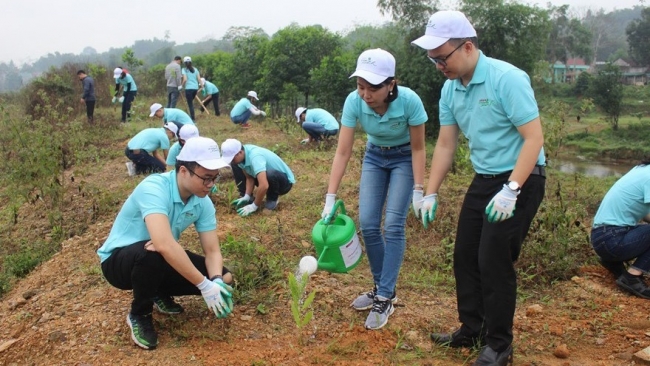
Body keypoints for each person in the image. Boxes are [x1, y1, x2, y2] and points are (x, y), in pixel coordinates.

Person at [412, 10, 546, 366]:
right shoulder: (450, 88)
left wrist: (512, 189)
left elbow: (533, 139)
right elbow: (445, 144)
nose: (439, 66)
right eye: (433, 60)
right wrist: (430, 191)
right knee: (465, 256)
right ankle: (472, 328)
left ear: (467, 47)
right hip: (484, 179)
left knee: (493, 260)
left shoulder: (507, 79)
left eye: (442, 58)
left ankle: (500, 345)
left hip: (523, 178)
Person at [322, 48, 427, 330]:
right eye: (360, 86)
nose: (366, 94)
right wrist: (330, 197)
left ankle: (384, 295)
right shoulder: (353, 102)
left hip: (404, 157)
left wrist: (419, 189)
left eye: (373, 88)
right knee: (368, 224)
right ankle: (382, 288)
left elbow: (418, 147)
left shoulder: (409, 102)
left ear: (391, 84)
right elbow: (343, 151)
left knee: (393, 225)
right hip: (374, 157)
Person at [98, 136, 234, 350]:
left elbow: (212, 250)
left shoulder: (203, 202)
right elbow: (163, 243)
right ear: (183, 171)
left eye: (214, 178)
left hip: (157, 256)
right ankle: (140, 314)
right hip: (119, 262)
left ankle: (156, 290)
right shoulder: (154, 187)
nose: (211, 185)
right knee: (153, 251)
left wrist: (215, 281)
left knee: (226, 277)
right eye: (205, 178)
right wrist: (204, 286)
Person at [591, 161, 650, 299]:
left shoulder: (641, 170)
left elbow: (645, 215)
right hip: (612, 239)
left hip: (602, 237)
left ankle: (612, 262)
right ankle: (632, 277)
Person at [221, 138, 294, 216]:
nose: (231, 160)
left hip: (283, 183)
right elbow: (249, 178)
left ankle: (272, 200)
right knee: (235, 165)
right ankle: (247, 198)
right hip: (266, 178)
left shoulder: (255, 157)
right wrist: (247, 196)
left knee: (270, 174)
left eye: (232, 158)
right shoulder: (242, 156)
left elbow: (264, 185)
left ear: (240, 152)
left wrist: (254, 206)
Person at [181, 56, 201, 121]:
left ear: (184, 63)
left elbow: (185, 79)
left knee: (190, 104)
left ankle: (193, 119)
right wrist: (202, 86)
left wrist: (181, 85)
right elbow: (199, 79)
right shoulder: (195, 69)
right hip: (195, 88)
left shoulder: (184, 70)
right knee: (190, 102)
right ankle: (191, 116)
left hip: (188, 89)